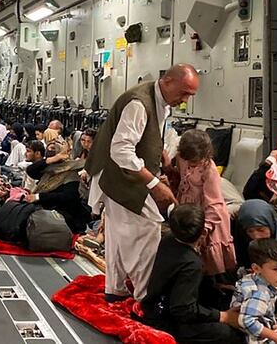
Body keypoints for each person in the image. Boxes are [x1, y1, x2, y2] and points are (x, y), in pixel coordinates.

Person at [85, 64, 199, 302]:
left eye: (190, 95)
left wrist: (161, 157)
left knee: (117, 233)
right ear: (167, 81)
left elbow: (145, 137)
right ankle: (145, 299)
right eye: (184, 92)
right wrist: (155, 183)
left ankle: (114, 290)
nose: (186, 100)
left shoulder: (161, 102)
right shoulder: (139, 103)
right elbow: (121, 150)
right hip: (116, 174)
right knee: (146, 231)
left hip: (120, 173)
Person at [140, 204, 244, 344]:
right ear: (203, 233)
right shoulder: (191, 264)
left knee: (220, 296)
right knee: (228, 334)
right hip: (165, 319)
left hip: (155, 304)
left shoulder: (168, 239)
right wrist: (223, 316)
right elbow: (182, 309)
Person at [163, 129, 236, 277]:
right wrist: (169, 170)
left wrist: (202, 231)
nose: (190, 164)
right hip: (188, 210)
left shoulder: (209, 169)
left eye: (194, 162)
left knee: (209, 265)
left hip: (206, 215)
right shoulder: (182, 158)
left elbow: (214, 204)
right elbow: (182, 180)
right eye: (188, 160)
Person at [230, 239, 277, 344]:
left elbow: (264, 316)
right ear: (256, 268)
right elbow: (247, 321)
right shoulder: (259, 293)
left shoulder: (255, 278)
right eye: (276, 269)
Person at [234, 200, 277, 270]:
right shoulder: (245, 242)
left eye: (261, 230)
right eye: (250, 231)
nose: (256, 236)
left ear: (270, 224)